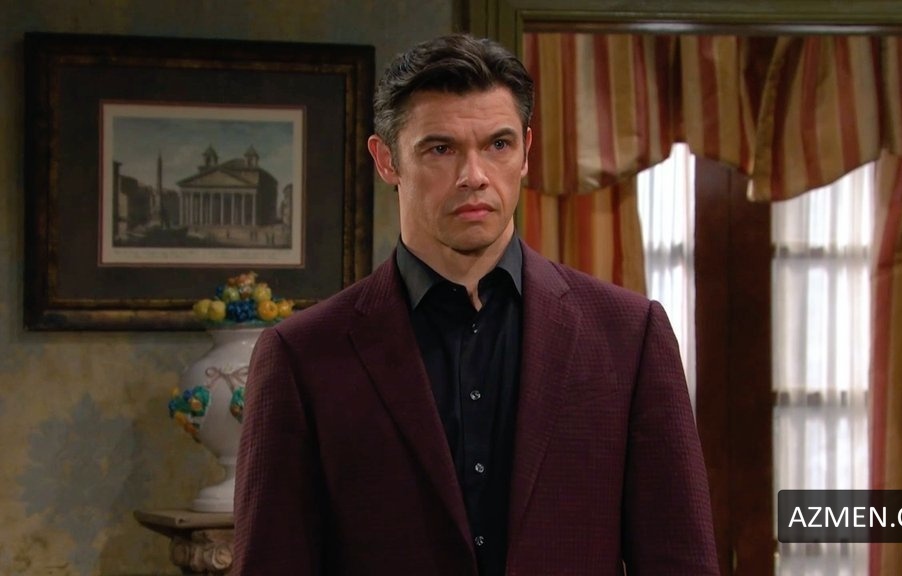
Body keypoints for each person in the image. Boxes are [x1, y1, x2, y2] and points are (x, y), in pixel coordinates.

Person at [233, 33, 718, 576]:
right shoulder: (302, 355)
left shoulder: (629, 336)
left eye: (498, 145)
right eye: (441, 149)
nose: (474, 176)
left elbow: (681, 560)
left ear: (526, 151)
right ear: (387, 160)